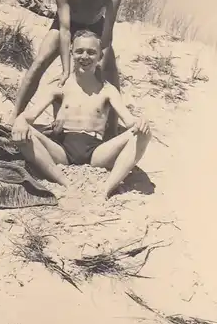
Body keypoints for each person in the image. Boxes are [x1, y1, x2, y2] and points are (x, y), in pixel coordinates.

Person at [12, 30, 151, 199]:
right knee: (24, 132)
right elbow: (29, 116)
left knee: (143, 135)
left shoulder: (107, 90)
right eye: (79, 51)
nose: (85, 56)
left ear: (100, 56)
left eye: (91, 52)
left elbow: (129, 121)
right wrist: (20, 121)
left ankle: (106, 189)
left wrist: (141, 122)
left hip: (96, 152)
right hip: (62, 150)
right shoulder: (59, 86)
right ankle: (63, 181)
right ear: (71, 52)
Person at [11, 0, 122, 140]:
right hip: (68, 25)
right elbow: (64, 29)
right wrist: (66, 71)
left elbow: (107, 36)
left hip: (96, 26)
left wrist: (97, 67)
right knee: (39, 61)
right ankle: (14, 116)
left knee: (110, 74)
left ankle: (112, 128)